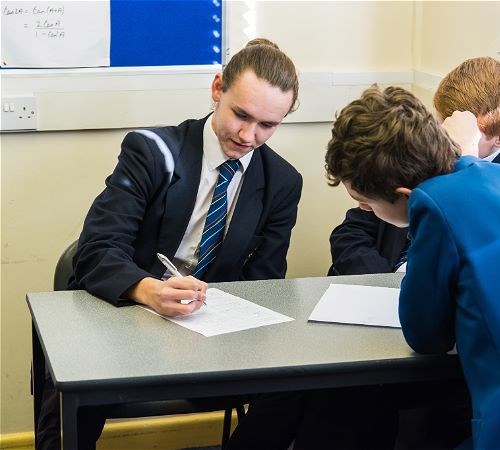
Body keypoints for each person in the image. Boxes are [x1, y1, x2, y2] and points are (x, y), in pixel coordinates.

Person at [36, 38, 303, 450]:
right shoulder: (151, 151)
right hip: (121, 319)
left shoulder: (282, 182)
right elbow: (98, 249)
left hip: (212, 332)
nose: (249, 135)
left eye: (268, 125)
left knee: (299, 388)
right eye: (241, 115)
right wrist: (149, 291)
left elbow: (264, 282)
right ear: (218, 89)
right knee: (70, 388)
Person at [324, 84, 500, 449]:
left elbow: (425, 336)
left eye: (367, 203)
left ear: (406, 196)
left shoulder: (435, 204)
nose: (367, 212)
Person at [328, 57, 500, 277]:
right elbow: (351, 231)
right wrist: (385, 282)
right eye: (442, 127)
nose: (445, 141)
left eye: (459, 132)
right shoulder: (424, 155)